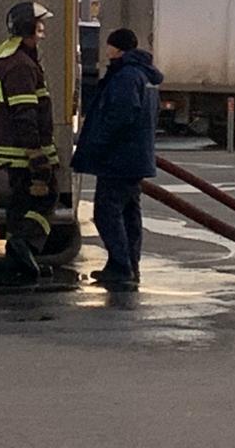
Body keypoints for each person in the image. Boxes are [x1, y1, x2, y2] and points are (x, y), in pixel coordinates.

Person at [71, 27, 163, 289]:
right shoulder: (146, 76)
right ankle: (129, 264)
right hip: (135, 157)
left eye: (109, 45)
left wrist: (97, 145)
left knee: (107, 212)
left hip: (118, 159)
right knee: (129, 213)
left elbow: (119, 116)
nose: (106, 49)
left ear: (117, 48)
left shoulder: (125, 76)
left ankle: (120, 266)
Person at [0, 1, 58, 285]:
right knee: (45, 199)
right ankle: (25, 245)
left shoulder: (9, 59)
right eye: (39, 27)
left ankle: (18, 260)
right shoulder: (21, 66)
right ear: (28, 29)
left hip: (11, 152)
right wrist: (36, 155)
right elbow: (25, 113)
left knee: (20, 204)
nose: (42, 33)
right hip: (23, 152)